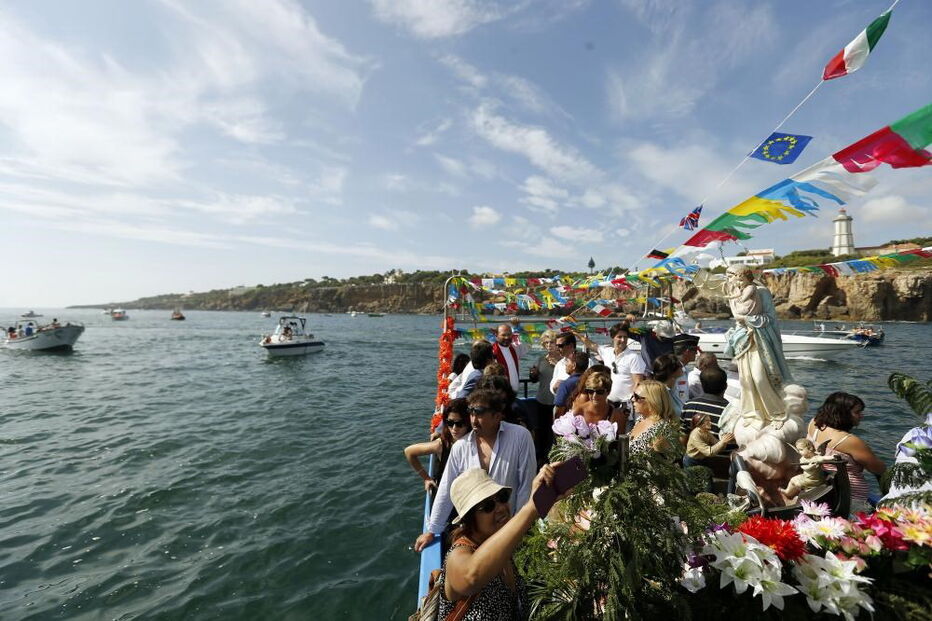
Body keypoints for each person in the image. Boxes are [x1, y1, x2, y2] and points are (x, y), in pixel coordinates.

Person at [414, 389, 537, 552]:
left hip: (508, 525)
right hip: (475, 532)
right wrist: (432, 531)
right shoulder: (460, 447)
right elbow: (447, 488)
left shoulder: (520, 437)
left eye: (479, 413)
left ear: (497, 415)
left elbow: (526, 485)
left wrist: (518, 527)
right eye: (470, 412)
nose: (473, 419)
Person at [437, 465, 558, 619]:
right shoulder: (457, 555)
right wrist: (532, 507)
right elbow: (471, 577)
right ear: (469, 519)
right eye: (487, 506)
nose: (500, 508)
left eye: (502, 497)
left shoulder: (502, 544)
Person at [724, 264, 793, 428]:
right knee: (746, 380)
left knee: (760, 377)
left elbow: (770, 318)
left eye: (731, 276)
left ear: (740, 275)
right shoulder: (734, 293)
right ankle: (752, 412)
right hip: (742, 340)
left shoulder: (762, 292)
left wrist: (748, 320)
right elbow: (737, 317)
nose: (729, 280)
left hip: (760, 340)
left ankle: (777, 411)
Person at [806, 392, 886, 514]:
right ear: (842, 414)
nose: (861, 416)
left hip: (821, 491)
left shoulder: (815, 424)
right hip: (850, 500)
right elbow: (880, 469)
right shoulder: (850, 441)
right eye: (857, 412)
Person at [404, 399, 472, 492]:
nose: (454, 428)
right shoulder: (442, 445)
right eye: (450, 423)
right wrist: (426, 478)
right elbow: (409, 452)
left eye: (460, 423)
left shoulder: (477, 441)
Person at [596, 322, 647, 412]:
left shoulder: (634, 357)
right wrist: (577, 334)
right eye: (619, 337)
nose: (623, 340)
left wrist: (633, 403)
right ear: (613, 337)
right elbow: (592, 345)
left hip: (625, 407)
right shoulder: (607, 352)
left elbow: (638, 383)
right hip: (608, 403)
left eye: (625, 337)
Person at [528, 330, 560, 464]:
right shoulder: (541, 359)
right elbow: (534, 380)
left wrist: (557, 365)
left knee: (556, 432)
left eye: (551, 342)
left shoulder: (563, 361)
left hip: (557, 402)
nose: (548, 345)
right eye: (546, 343)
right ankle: (540, 460)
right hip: (541, 400)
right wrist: (533, 374)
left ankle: (556, 458)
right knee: (541, 431)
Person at [629, 379, 684, 457]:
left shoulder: (662, 428)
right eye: (633, 396)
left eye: (637, 397)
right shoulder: (641, 419)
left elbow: (663, 461)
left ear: (652, 401)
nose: (632, 399)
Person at [681, 366, 730, 435]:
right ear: (726, 386)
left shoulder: (688, 405)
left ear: (702, 385)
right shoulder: (729, 411)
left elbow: (682, 435)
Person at [492, 323, 529, 394]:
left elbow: (528, 344)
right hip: (499, 394)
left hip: (514, 394)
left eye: (509, 334)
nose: (507, 337)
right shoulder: (492, 351)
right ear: (496, 335)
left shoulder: (515, 348)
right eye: (503, 335)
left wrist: (517, 326)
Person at [553, 351, 589, 417]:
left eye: (567, 361)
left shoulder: (565, 384)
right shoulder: (589, 382)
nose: (566, 364)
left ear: (574, 365)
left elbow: (559, 410)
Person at [652, 353, 685, 418]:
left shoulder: (672, 390)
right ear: (671, 371)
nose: (682, 367)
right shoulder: (660, 393)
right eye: (679, 365)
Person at [671, 334, 700, 406]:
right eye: (695, 350)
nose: (696, 353)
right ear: (687, 351)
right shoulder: (673, 370)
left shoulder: (684, 369)